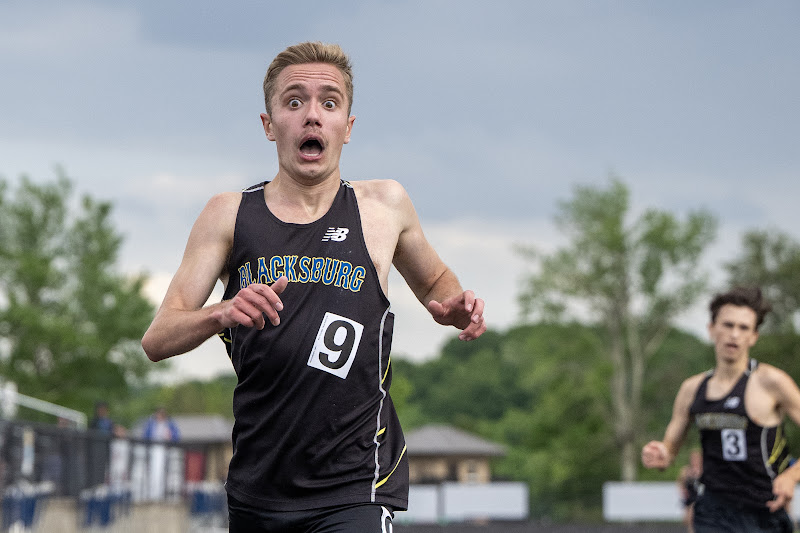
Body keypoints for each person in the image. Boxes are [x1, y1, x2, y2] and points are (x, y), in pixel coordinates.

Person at [141, 41, 486, 532]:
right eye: (294, 101)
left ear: (347, 127)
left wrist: (454, 306)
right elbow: (158, 338)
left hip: (354, 485)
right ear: (269, 124)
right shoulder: (229, 215)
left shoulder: (383, 207)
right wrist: (220, 312)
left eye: (329, 102)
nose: (312, 116)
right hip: (259, 487)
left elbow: (435, 281)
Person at [642, 287, 800, 533]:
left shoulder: (772, 382)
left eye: (744, 327)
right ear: (712, 329)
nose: (734, 334)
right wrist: (661, 454)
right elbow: (670, 449)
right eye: (727, 325)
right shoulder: (692, 389)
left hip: (764, 510)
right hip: (714, 511)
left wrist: (792, 476)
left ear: (754, 336)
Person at [677, 448, 702, 533]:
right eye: (693, 458)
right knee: (689, 521)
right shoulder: (686, 471)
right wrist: (682, 492)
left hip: (700, 498)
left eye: (697, 458)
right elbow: (680, 483)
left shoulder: (703, 470)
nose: (695, 460)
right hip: (690, 498)